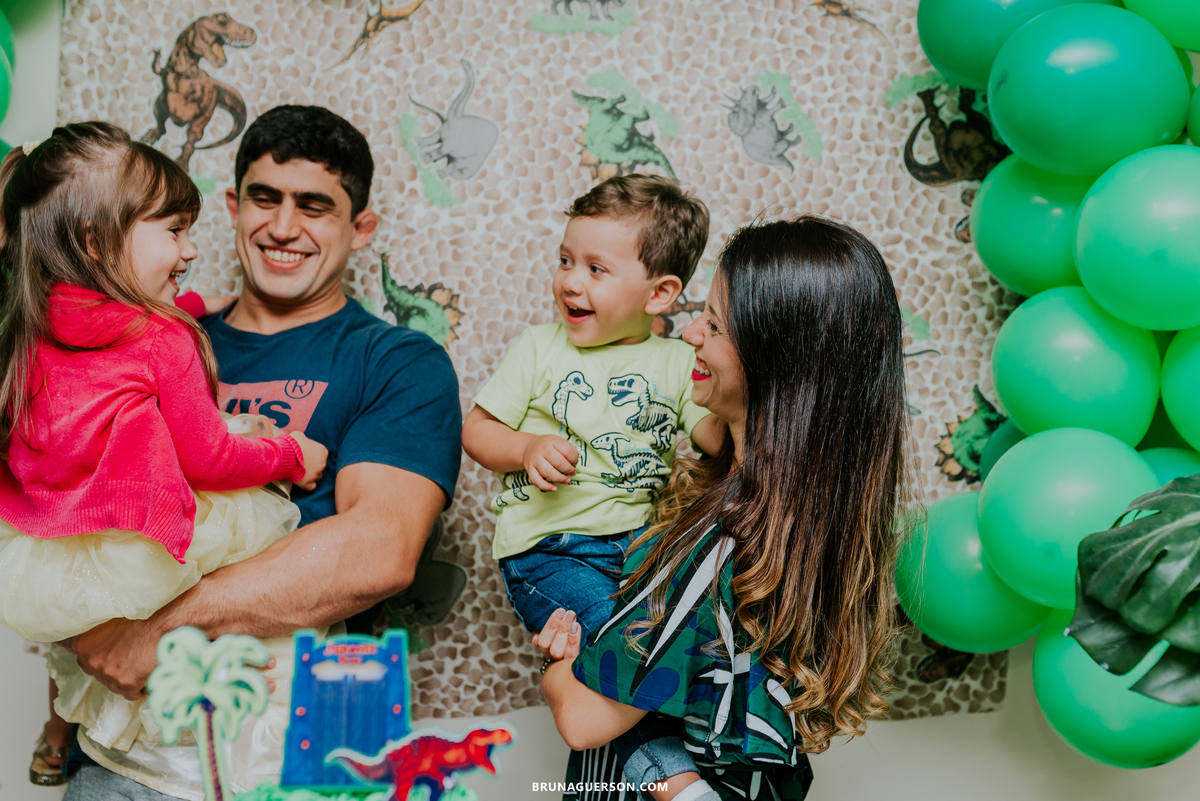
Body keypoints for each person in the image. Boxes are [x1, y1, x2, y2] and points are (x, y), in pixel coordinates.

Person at [60, 105, 462, 800]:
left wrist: (162, 626)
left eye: (314, 206)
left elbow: (379, 548)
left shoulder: (398, 362)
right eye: (265, 199)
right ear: (233, 205)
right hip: (123, 752)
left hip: (301, 758)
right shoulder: (149, 337)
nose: (282, 227)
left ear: (360, 228)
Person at [537, 216, 910, 801]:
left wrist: (562, 664)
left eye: (713, 324)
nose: (690, 335)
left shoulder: (723, 544)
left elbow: (585, 720)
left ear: (775, 363)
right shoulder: (811, 530)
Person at [0, 122, 328, 785]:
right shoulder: (161, 339)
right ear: (97, 241)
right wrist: (288, 454)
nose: (190, 247)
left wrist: (194, 307)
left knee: (89, 653)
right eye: (174, 230)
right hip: (141, 546)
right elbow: (207, 460)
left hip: (52, 550)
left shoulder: (28, 325)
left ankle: (65, 734)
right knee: (260, 533)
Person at [462, 174, 725, 799]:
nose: (570, 281)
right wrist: (524, 448)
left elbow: (718, 436)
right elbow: (477, 429)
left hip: (640, 548)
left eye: (595, 269)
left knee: (678, 632)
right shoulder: (539, 349)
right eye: (564, 260)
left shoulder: (674, 362)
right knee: (620, 646)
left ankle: (661, 758)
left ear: (660, 293)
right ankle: (669, 777)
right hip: (550, 550)